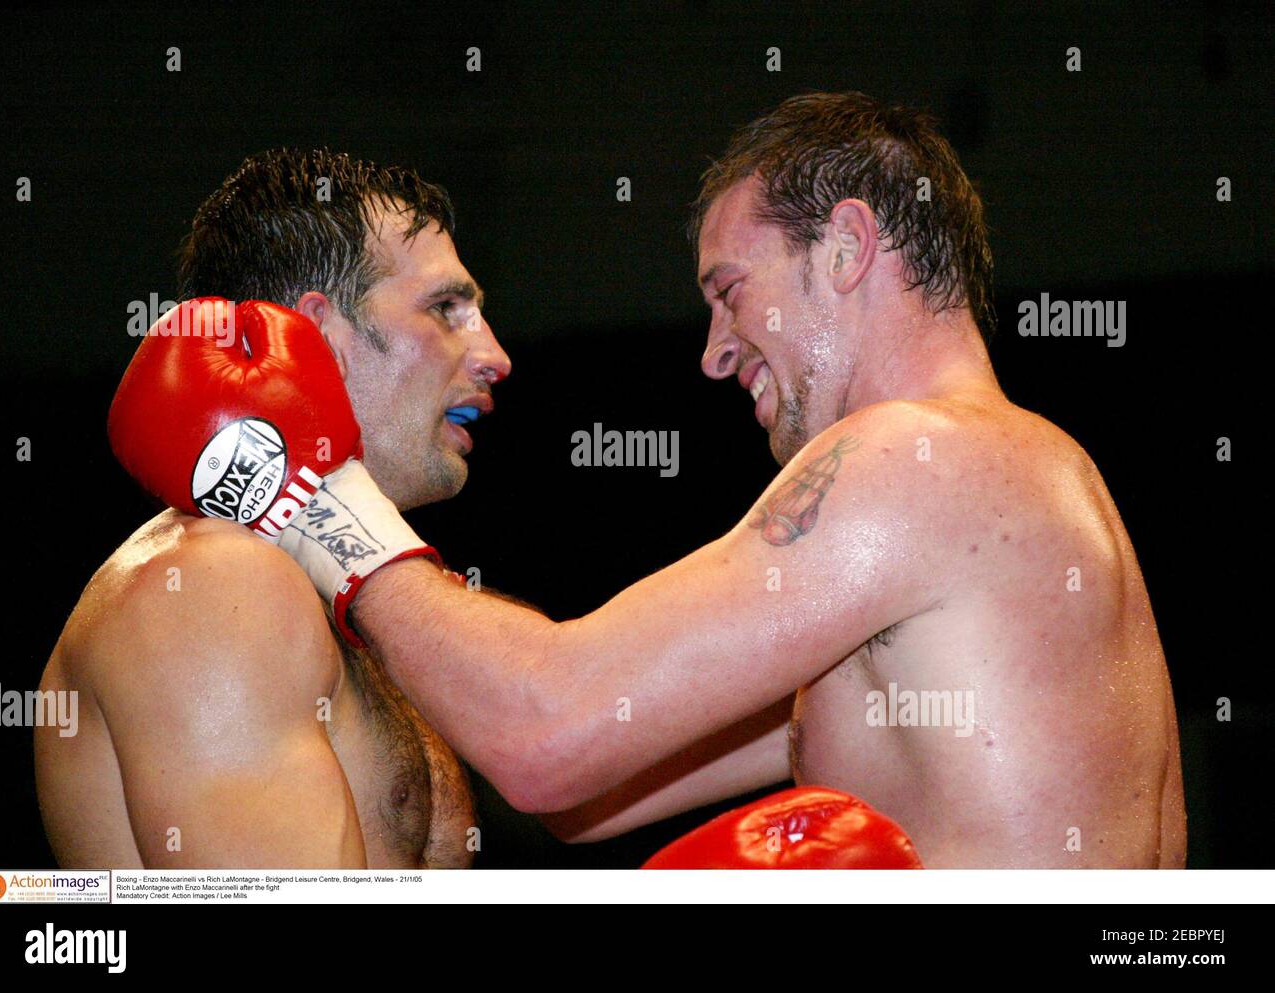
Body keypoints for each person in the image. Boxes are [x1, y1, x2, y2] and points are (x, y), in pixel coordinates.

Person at [111, 93, 1188, 868]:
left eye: (730, 291)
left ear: (847, 247)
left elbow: (550, 735)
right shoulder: (1031, 485)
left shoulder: (920, 456)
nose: (713, 353)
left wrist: (305, 496)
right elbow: (589, 789)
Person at [36, 149, 507, 868]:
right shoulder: (214, 585)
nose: (495, 355)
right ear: (318, 335)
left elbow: (565, 733)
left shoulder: (355, 604)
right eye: (446, 309)